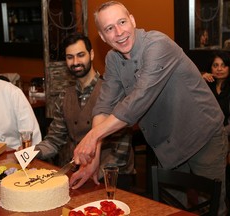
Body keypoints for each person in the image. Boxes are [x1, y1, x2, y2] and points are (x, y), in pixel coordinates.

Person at [72, 1, 228, 215]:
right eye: (109, 28)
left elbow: (139, 99)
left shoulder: (157, 44)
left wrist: (92, 137)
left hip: (202, 135)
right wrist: (94, 154)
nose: (119, 32)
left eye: (122, 22)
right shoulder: (113, 59)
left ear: (133, 20)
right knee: (171, 209)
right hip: (166, 144)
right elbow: (104, 105)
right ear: (102, 36)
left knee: (210, 207)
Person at [35, 32, 135, 189]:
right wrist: (30, 153)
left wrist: (96, 172)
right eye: (70, 57)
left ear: (92, 54)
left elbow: (122, 146)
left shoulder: (112, 90)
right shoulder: (64, 96)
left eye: (81, 55)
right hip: (76, 173)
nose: (75, 62)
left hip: (111, 177)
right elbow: (54, 140)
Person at [202, 51, 230, 204]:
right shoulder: (206, 86)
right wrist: (199, 79)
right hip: (207, 135)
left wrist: (222, 133)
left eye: (224, 65)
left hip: (225, 133)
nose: (219, 69)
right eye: (216, 65)